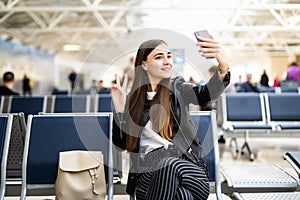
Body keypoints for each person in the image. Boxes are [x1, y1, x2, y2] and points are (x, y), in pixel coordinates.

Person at [111, 37, 230, 199]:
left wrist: (223, 67)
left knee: (169, 164)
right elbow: (121, 145)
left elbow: (204, 95)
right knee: (182, 196)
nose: (167, 61)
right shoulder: (134, 101)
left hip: (187, 168)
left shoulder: (178, 89)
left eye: (168, 56)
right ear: (144, 64)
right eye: (159, 57)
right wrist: (119, 110)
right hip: (148, 173)